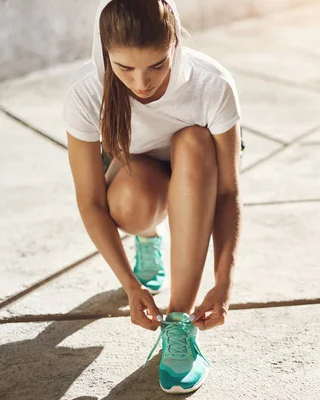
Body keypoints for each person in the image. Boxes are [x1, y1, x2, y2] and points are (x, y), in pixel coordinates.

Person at [63, 0, 243, 393]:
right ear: (104, 51)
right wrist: (129, 284)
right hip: (138, 182)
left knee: (194, 139)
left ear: (175, 45)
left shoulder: (212, 84)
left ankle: (179, 324)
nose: (141, 83)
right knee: (131, 201)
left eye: (157, 65)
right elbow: (91, 201)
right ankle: (148, 236)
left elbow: (228, 193)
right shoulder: (86, 92)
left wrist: (223, 281)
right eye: (124, 67)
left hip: (196, 173)